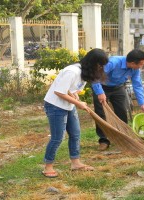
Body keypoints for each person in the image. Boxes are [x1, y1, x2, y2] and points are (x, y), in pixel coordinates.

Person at [42, 48, 108, 178]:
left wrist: (74, 96)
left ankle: (76, 163)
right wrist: (78, 104)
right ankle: (47, 167)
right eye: (100, 65)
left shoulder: (84, 72)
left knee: (75, 133)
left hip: (68, 105)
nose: (101, 68)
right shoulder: (72, 72)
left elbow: (70, 89)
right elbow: (59, 92)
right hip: (55, 106)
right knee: (57, 137)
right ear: (93, 63)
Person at [91, 49, 144, 151]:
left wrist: (142, 103)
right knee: (101, 113)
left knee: (122, 111)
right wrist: (100, 93)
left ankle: (123, 137)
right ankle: (104, 140)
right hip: (102, 87)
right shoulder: (113, 62)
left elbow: (137, 85)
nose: (141, 66)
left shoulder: (135, 69)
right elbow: (95, 77)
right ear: (132, 62)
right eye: (140, 64)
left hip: (118, 88)